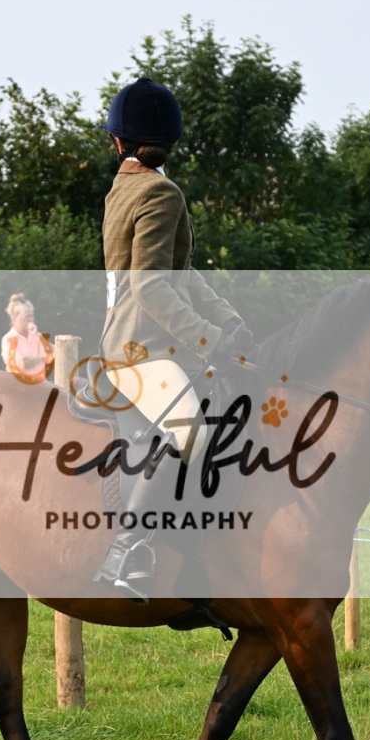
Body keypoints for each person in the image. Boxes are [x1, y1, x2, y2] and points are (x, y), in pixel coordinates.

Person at [91, 77, 254, 602]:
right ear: (171, 142)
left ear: (118, 141)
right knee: (189, 432)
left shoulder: (124, 188)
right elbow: (151, 286)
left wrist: (227, 319)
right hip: (140, 351)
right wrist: (212, 340)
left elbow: (180, 272)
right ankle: (128, 549)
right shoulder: (161, 192)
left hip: (133, 342)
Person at [0, 293, 51, 384]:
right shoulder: (8, 339)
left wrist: (36, 337)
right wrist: (42, 356)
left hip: (40, 385)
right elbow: (21, 364)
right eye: (27, 316)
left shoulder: (37, 336)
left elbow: (52, 354)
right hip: (18, 386)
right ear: (15, 317)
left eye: (32, 316)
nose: (31, 320)